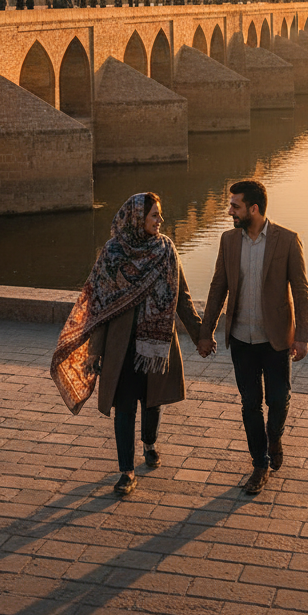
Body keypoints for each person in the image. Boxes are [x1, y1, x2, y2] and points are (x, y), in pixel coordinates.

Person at [52, 193, 201, 498]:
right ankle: (126, 472)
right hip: (121, 346)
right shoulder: (112, 253)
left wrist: (201, 335)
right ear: (137, 220)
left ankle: (149, 442)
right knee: (124, 409)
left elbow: (182, 297)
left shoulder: (166, 250)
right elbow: (97, 305)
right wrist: (95, 350)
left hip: (156, 344)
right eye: (155, 216)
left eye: (159, 215)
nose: (160, 221)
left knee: (152, 401)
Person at [198, 179, 308, 496]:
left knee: (278, 400)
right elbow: (218, 287)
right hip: (241, 339)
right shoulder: (229, 241)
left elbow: (301, 292)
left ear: (254, 208)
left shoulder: (286, 240)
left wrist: (302, 337)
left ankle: (275, 436)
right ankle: (259, 464)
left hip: (275, 340)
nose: (229, 211)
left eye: (235, 205)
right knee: (250, 404)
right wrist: (205, 333)